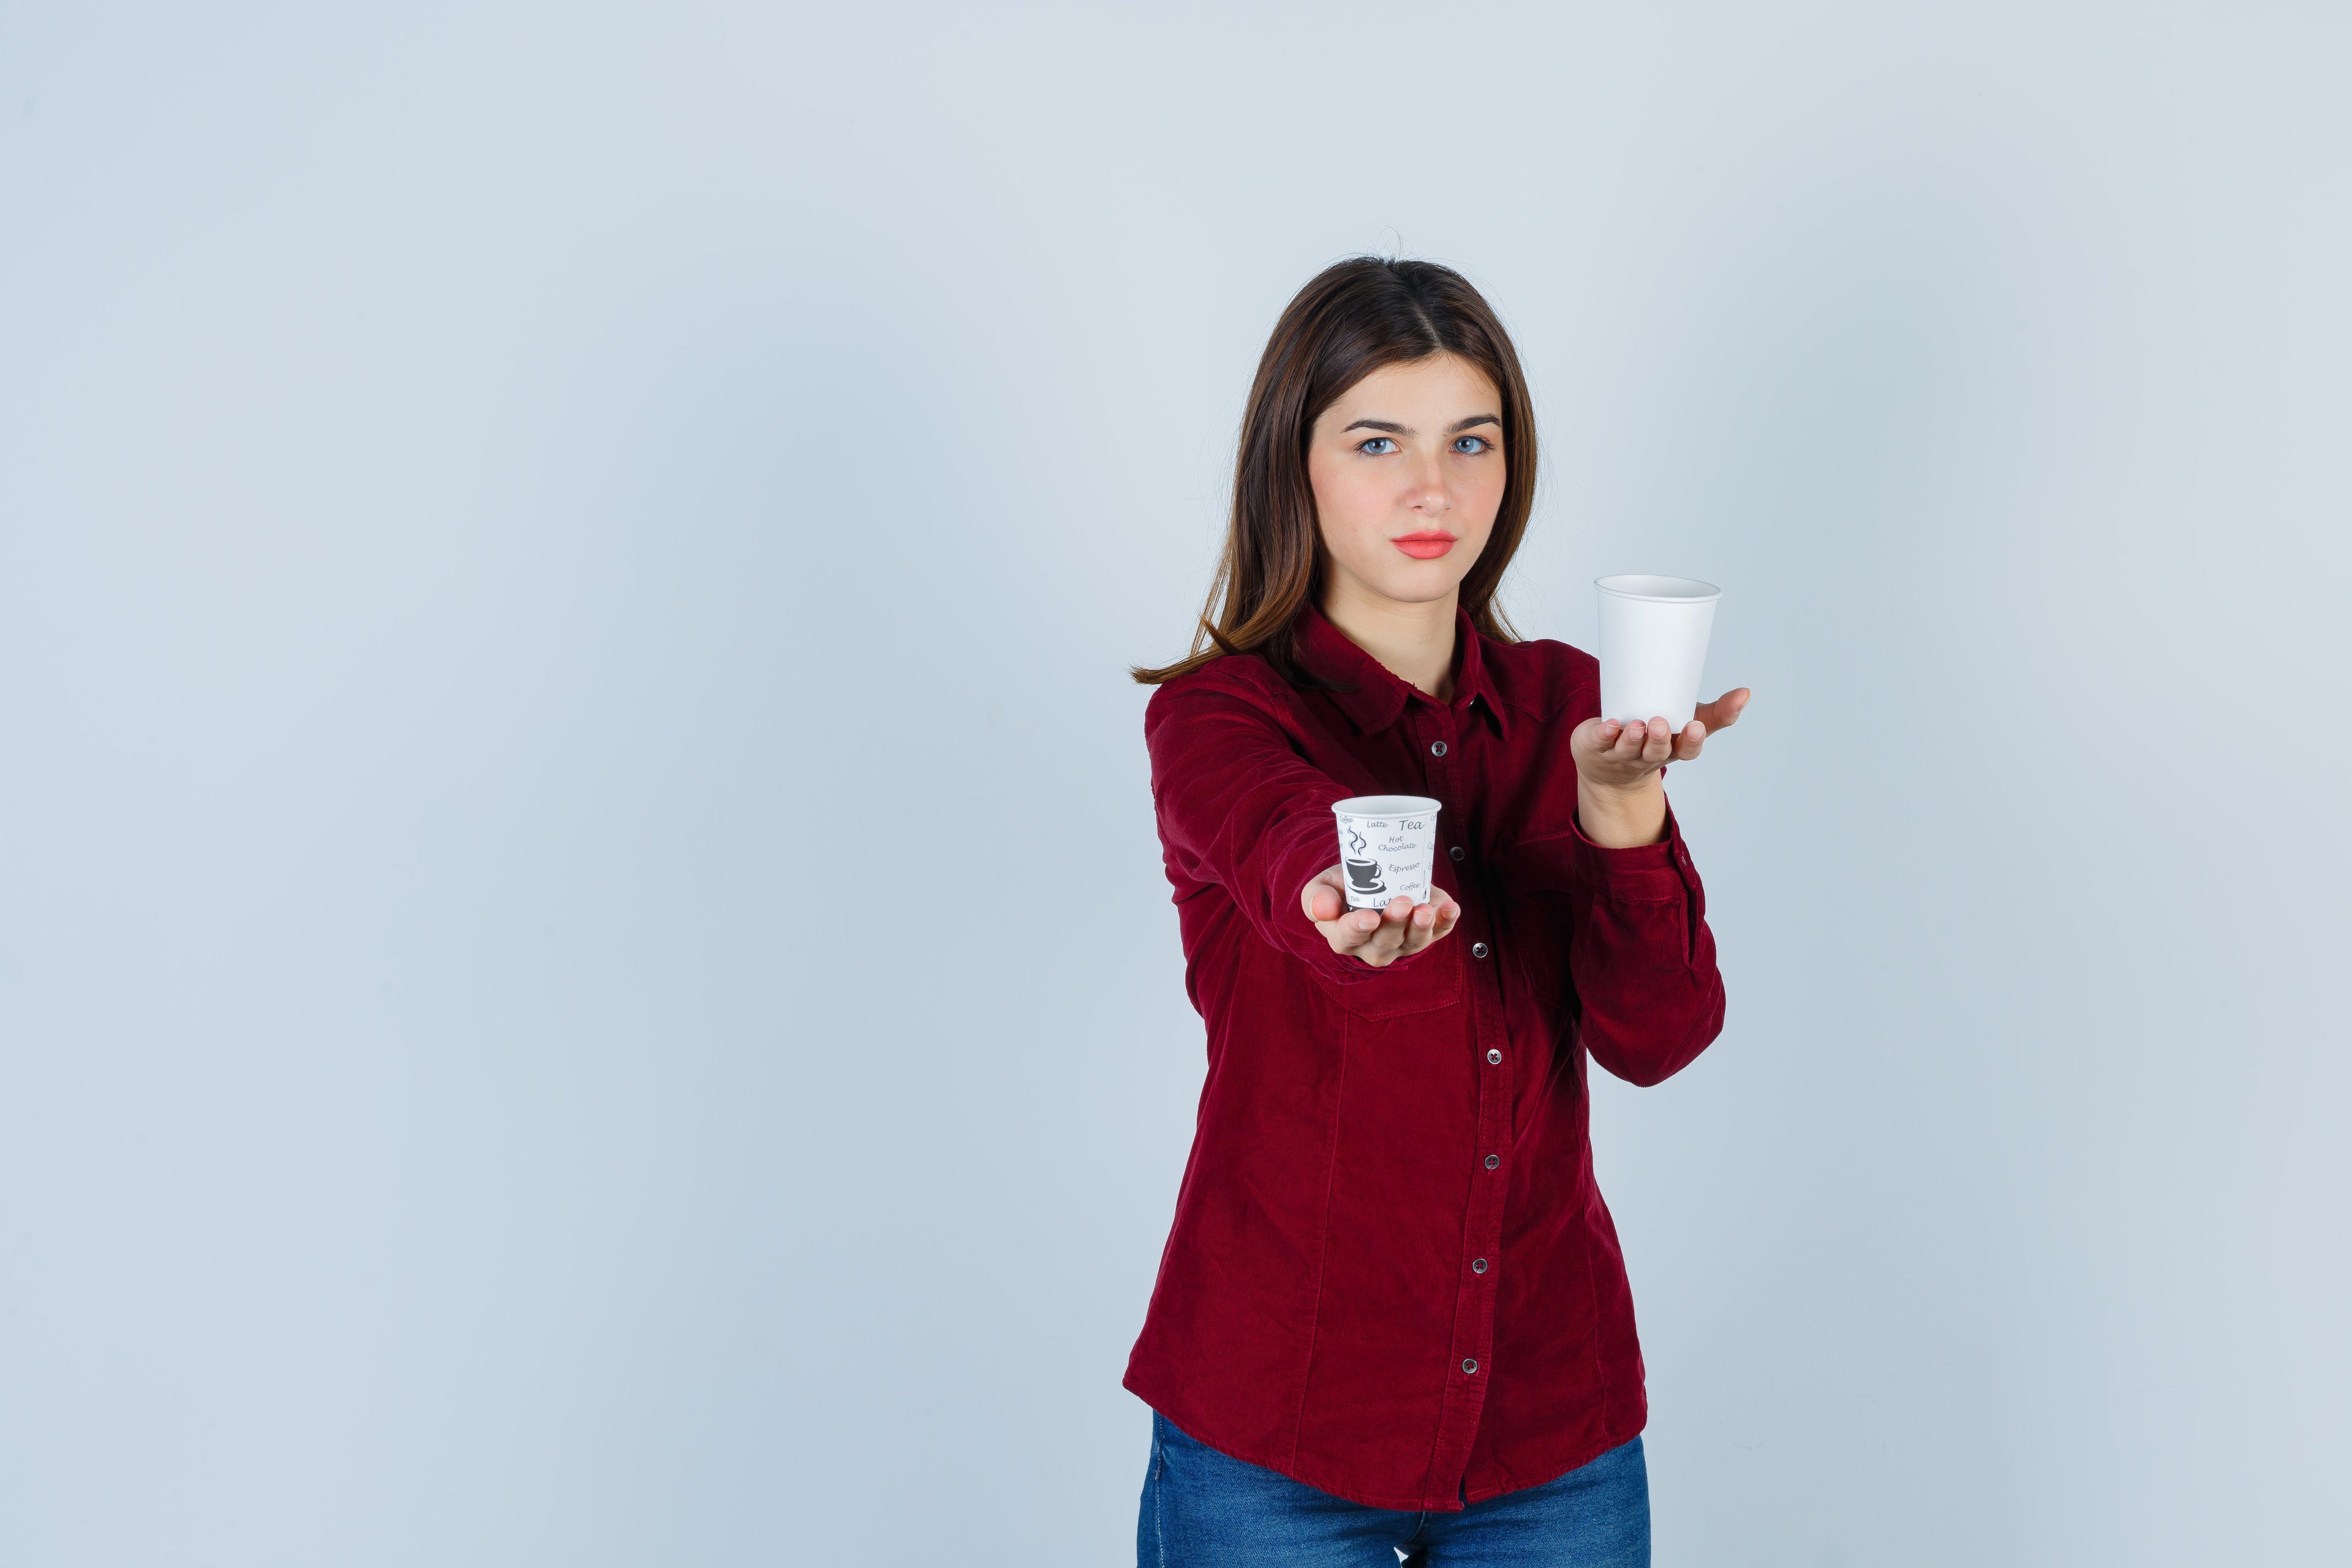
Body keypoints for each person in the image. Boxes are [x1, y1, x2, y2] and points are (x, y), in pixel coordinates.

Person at [1125, 257, 1751, 1566]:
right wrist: (1344, 896)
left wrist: (1620, 808)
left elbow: (1661, 1034)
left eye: (1472, 439)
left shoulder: (1574, 707)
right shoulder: (1219, 715)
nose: (1433, 487)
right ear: (1293, 467)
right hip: (1276, 1437)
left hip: (1551, 1429)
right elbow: (1275, 823)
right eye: (1377, 441)